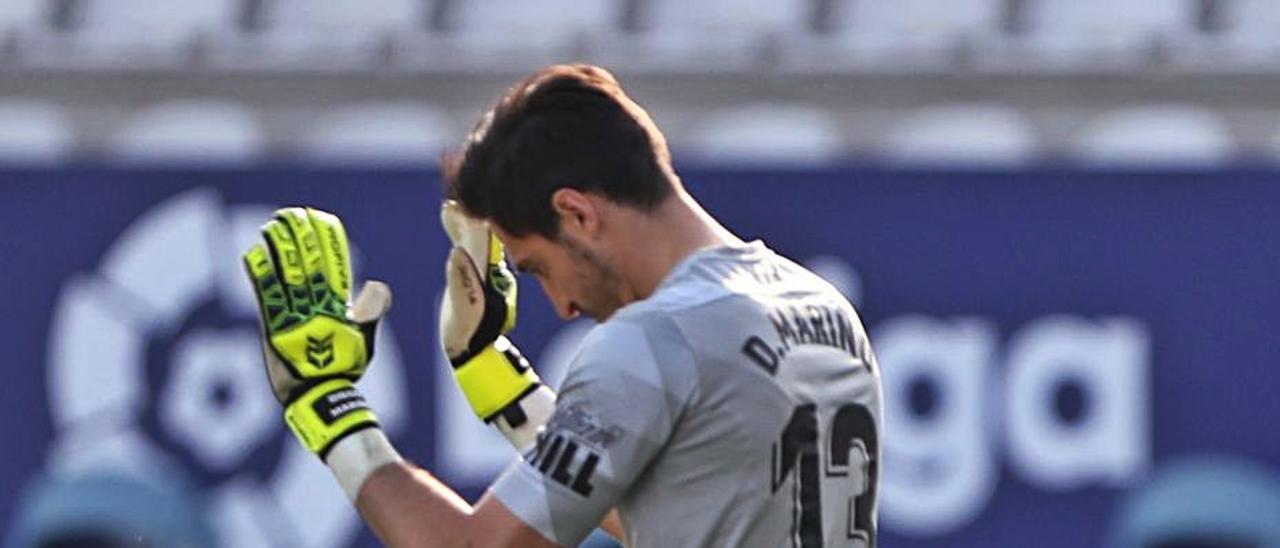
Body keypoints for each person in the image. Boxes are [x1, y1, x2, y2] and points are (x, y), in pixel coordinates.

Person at [241, 64, 882, 547]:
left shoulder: (655, 338)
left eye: (538, 268)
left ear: (575, 213)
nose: (564, 305)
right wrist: (490, 372)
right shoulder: (822, 308)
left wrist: (328, 406)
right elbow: (672, 509)